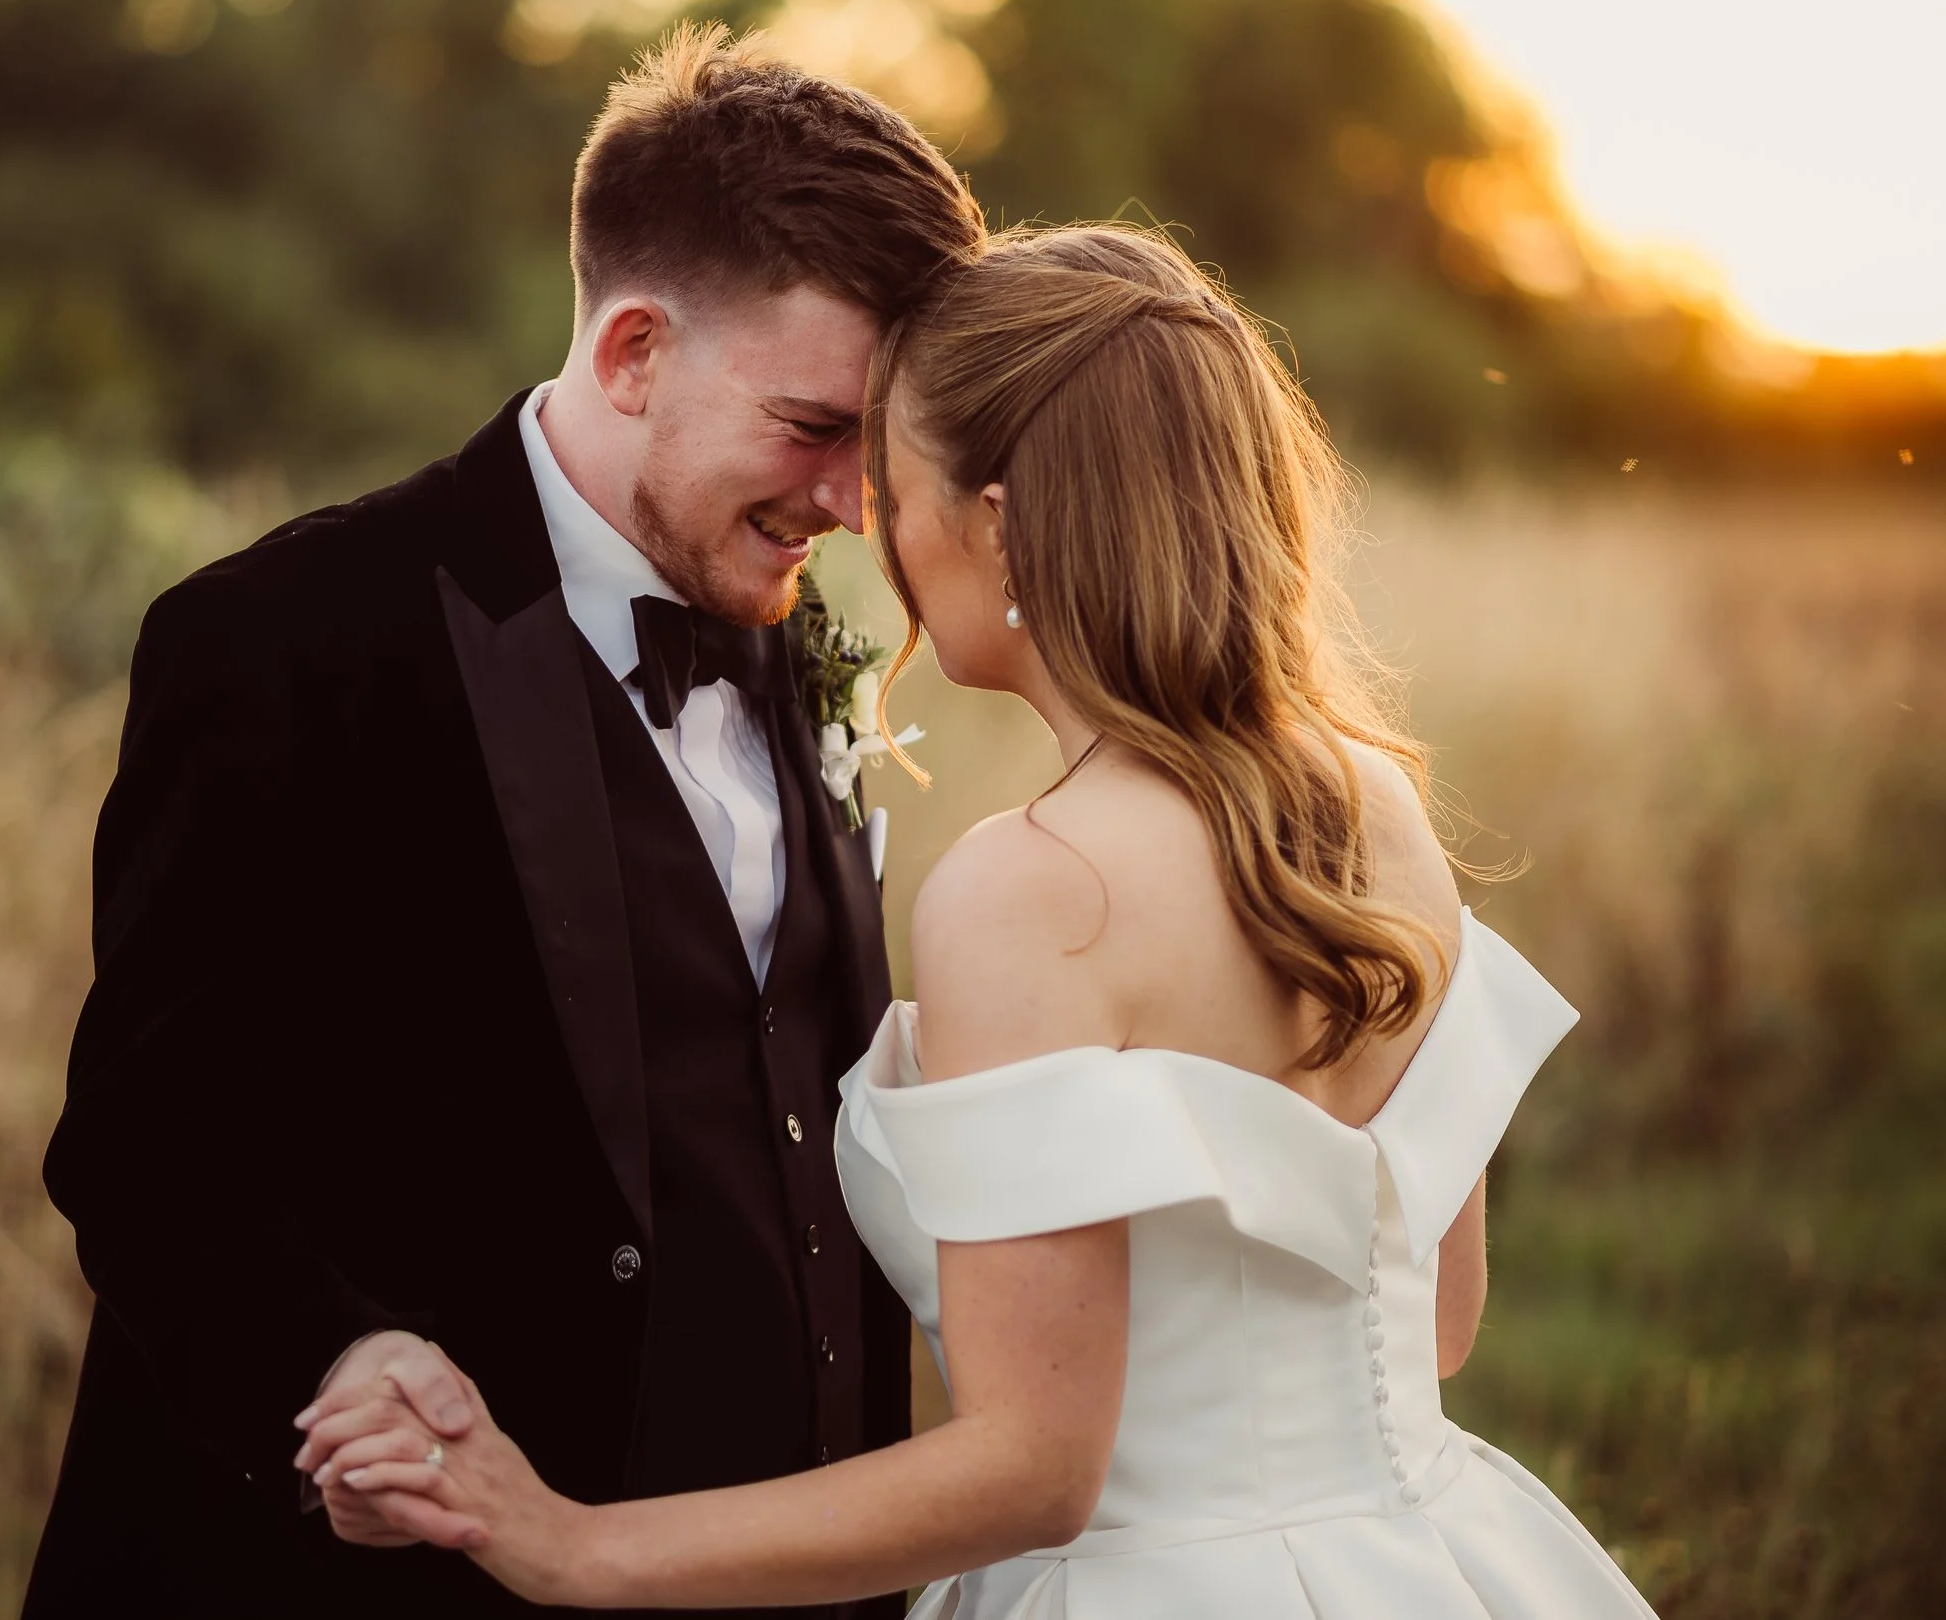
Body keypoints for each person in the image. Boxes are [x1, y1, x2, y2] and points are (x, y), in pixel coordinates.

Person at [297, 225, 1665, 1620]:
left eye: (891, 484)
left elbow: (1030, 1472)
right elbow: (1436, 1322)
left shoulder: (1034, 887)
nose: (865, 529)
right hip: (1425, 1556)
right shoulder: (1376, 804)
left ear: (999, 518)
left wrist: (566, 1544)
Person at [19, 25, 986, 1618]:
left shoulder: (795, 630)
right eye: (817, 429)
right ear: (632, 353)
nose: (853, 505)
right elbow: (145, 1140)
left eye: (875, 449)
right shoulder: (280, 643)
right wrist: (337, 1353)